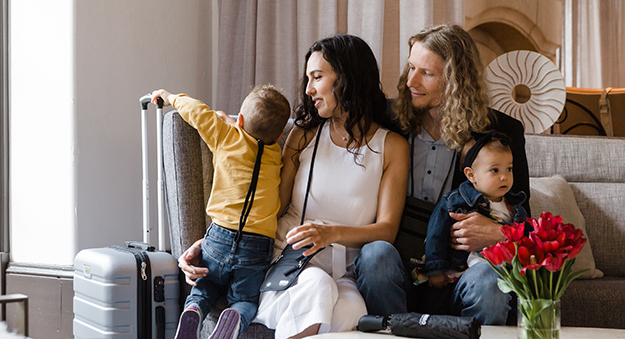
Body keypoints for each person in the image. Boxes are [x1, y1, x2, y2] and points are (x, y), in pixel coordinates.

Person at [178, 34, 410, 338]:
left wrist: (332, 233)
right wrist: (209, 244)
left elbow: (387, 229)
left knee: (354, 312)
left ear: (348, 78)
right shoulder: (304, 136)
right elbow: (267, 204)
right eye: (308, 79)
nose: (308, 89)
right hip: (285, 268)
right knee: (317, 285)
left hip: (343, 276)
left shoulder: (391, 146)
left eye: (317, 77)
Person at [355, 24, 531, 325]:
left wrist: (497, 234)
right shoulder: (384, 118)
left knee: (491, 280)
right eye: (411, 67)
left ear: (455, 82)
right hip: (396, 267)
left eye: (427, 73)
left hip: (459, 273)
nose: (411, 81)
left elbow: (527, 220)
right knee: (374, 257)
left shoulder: (503, 132)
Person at [151, 85, 290, 338]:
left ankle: (193, 310)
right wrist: (235, 123)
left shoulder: (225, 137)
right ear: (281, 134)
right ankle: (235, 315)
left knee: (204, 288)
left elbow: (197, 111)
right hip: (257, 246)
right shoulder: (276, 156)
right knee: (246, 300)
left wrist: (171, 97)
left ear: (240, 120)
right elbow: (255, 143)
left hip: (218, 239)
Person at [420, 131, 527, 289]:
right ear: (471, 175)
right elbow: (436, 235)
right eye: (495, 170)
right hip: (461, 274)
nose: (504, 177)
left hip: (506, 276)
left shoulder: (515, 204)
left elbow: (528, 236)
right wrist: (435, 271)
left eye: (509, 169)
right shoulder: (455, 202)